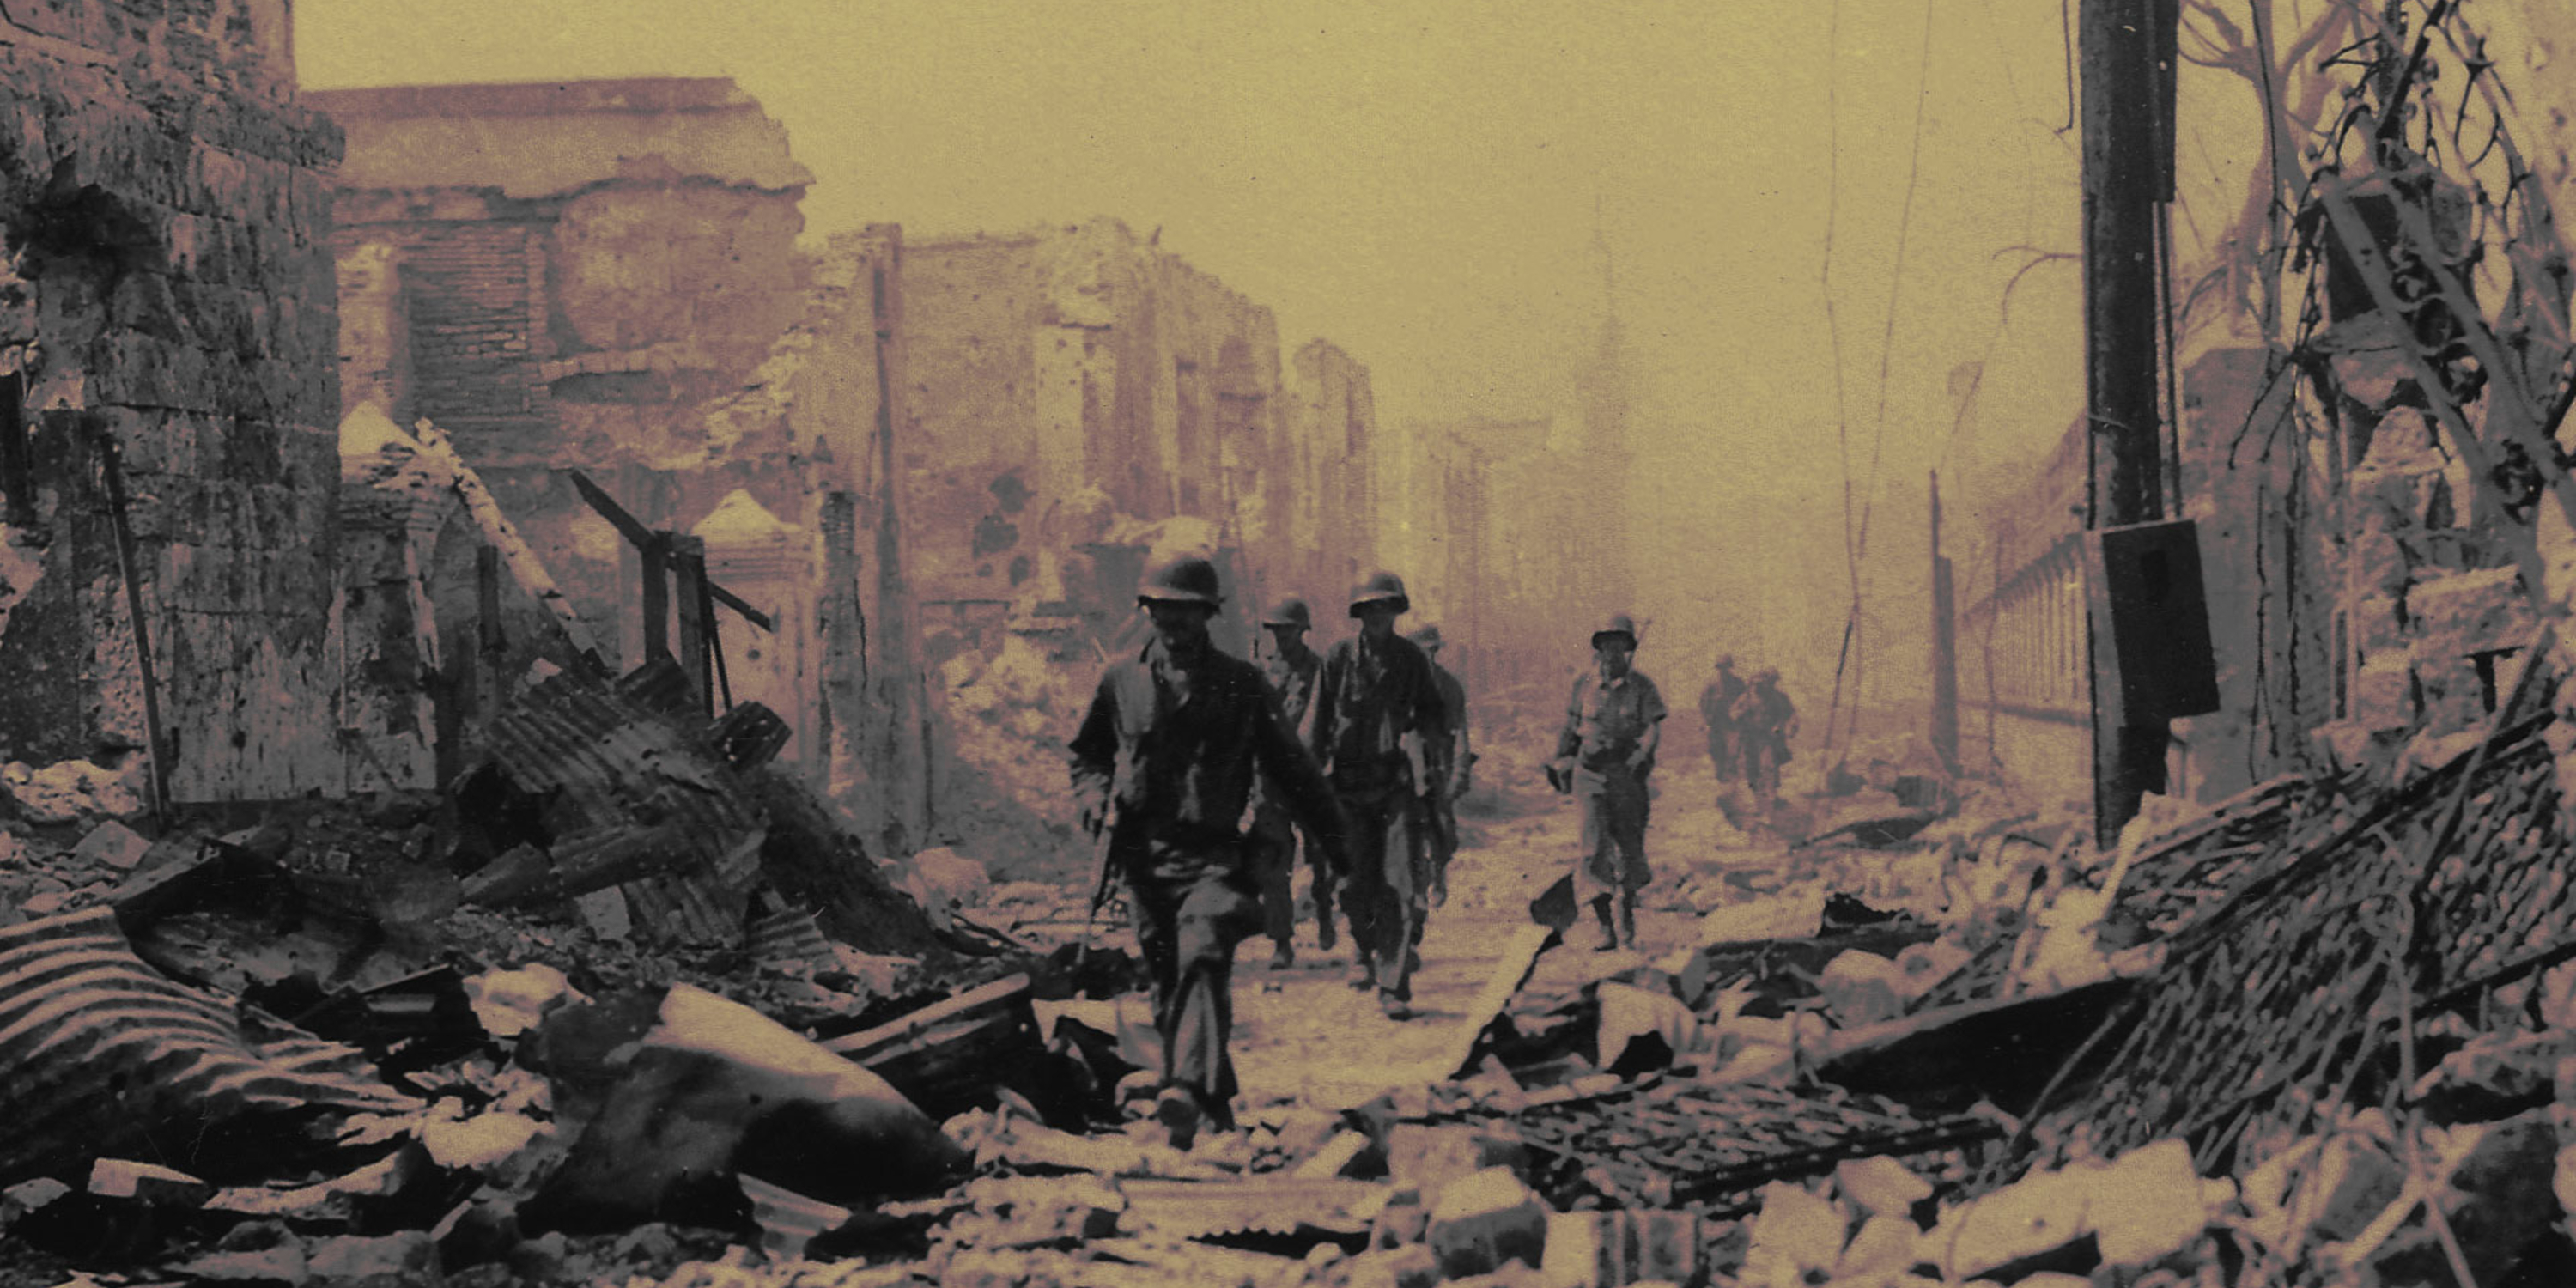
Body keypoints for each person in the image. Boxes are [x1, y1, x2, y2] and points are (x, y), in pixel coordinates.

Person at [1069, 556, 1348, 1148]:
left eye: (1187, 610)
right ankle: (1213, 1104)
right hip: (1145, 860)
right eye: (1163, 609)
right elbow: (1087, 757)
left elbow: (1294, 771)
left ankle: (1184, 1091)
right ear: (1149, 612)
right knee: (1169, 983)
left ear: (1208, 615)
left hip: (1217, 858)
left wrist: (1344, 855)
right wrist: (1096, 803)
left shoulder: (1241, 682)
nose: (1174, 621)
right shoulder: (1120, 680)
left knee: (1201, 950)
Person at [1310, 570, 1449, 1018]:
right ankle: (1361, 951)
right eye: (1370, 608)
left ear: (1397, 611)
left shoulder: (1410, 659)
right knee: (1353, 884)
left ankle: (1393, 983)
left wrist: (1428, 760)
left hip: (1393, 787)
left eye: (1386, 607)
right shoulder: (1337, 659)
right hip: (1346, 788)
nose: (1378, 615)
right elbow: (1317, 724)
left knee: (1400, 886)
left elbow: (1433, 715)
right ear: (1359, 614)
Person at [1548, 613, 1667, 951]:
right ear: (1598, 648)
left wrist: (1641, 757)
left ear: (1628, 649)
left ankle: (1626, 911)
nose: (1612, 653)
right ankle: (1605, 927)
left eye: (1619, 646)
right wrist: (1561, 759)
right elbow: (1571, 727)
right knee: (1593, 848)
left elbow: (1653, 728)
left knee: (1630, 848)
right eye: (1606, 645)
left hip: (1625, 776)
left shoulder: (1642, 686)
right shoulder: (1583, 685)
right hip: (1589, 776)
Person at [1248, 594, 1327, 967]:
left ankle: (1325, 911)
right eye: (1276, 630)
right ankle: (1282, 940)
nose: (1282, 636)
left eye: (1289, 630)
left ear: (1302, 631)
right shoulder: (1258, 669)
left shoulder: (1318, 671)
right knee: (1273, 860)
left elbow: (1326, 721)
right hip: (1269, 779)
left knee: (1321, 853)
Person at [1407, 623, 1475, 908]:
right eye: (1423, 652)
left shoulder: (1449, 686)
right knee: (1410, 828)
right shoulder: (1399, 684)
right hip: (1407, 764)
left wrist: (1460, 771)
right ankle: (1418, 886)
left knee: (1444, 831)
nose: (1429, 657)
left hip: (1439, 764)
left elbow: (1460, 730)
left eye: (1433, 651)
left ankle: (1439, 871)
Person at [1733, 667, 1798, 808]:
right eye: (1756, 684)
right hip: (1749, 738)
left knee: (1768, 766)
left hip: (1767, 738)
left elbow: (1788, 713)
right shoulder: (1746, 698)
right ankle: (1757, 798)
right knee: (1751, 769)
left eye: (1763, 683)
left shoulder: (1776, 698)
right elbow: (1733, 712)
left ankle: (1772, 796)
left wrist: (1785, 727)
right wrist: (1740, 714)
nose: (1759, 687)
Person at [1698, 654, 1747, 791]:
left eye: (1725, 667)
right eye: (1720, 667)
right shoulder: (1711, 685)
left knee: (1732, 755)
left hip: (1732, 725)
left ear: (1730, 667)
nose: (1723, 670)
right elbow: (1703, 704)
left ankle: (1732, 786)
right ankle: (1721, 782)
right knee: (1717, 753)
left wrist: (1739, 715)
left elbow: (1745, 702)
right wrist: (1705, 722)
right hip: (1715, 725)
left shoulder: (1738, 683)